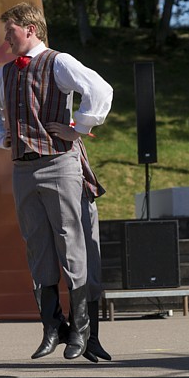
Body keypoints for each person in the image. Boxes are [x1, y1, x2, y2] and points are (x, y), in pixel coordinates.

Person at [0, 2, 113, 360]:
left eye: (10, 31)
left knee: (72, 241)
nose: (6, 38)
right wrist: (1, 137)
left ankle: (82, 330)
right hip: (23, 167)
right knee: (37, 243)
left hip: (59, 162)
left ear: (31, 29)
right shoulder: (4, 73)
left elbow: (100, 90)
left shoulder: (59, 62)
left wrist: (78, 128)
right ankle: (52, 325)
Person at [75, 137, 112, 363]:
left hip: (84, 194)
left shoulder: (73, 123)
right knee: (75, 270)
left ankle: (92, 338)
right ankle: (76, 334)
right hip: (63, 196)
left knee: (92, 271)